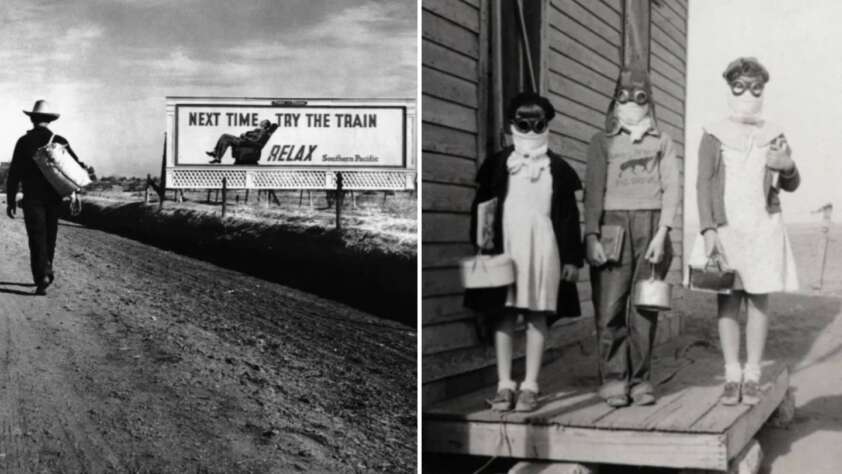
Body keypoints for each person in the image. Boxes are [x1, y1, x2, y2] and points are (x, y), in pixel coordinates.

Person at [690, 57, 799, 405]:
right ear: (730, 88)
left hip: (763, 227)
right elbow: (702, 183)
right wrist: (708, 229)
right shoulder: (713, 132)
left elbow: (791, 182)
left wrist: (789, 167)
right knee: (727, 301)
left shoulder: (774, 133)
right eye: (741, 86)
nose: (748, 93)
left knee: (759, 299)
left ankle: (752, 374)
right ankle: (731, 374)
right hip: (726, 228)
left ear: (763, 90)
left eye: (756, 87)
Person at [465, 92, 584, 412]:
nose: (530, 129)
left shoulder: (557, 169)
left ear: (547, 125)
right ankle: (504, 384)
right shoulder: (497, 165)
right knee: (501, 314)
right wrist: (481, 245)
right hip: (505, 248)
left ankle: (530, 385)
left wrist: (573, 258)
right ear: (511, 124)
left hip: (543, 248)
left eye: (538, 123)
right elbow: (482, 209)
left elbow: (569, 218)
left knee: (536, 314)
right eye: (523, 123)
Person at [584, 67, 680, 407]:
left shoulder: (662, 141)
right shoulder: (602, 141)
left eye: (639, 96)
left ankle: (640, 380)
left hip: (651, 228)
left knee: (644, 307)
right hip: (612, 226)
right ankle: (613, 379)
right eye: (623, 95)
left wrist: (662, 233)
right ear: (614, 100)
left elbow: (671, 189)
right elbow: (593, 191)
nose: (630, 102)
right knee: (609, 307)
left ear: (649, 101)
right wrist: (592, 234)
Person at [6, 100, 89, 295]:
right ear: (49, 120)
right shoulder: (59, 139)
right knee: (50, 235)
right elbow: (76, 167)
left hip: (32, 198)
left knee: (36, 237)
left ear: (33, 119)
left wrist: (11, 201)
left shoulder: (23, 141)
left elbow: (14, 174)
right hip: (54, 198)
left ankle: (41, 275)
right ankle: (47, 268)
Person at [205, 119, 279, 164]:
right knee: (224, 137)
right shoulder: (260, 131)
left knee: (225, 137)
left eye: (262, 122)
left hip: (244, 142)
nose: (260, 123)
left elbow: (255, 140)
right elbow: (253, 137)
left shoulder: (262, 132)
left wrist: (244, 136)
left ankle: (217, 155)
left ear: (264, 125)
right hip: (243, 141)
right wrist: (245, 135)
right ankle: (217, 155)